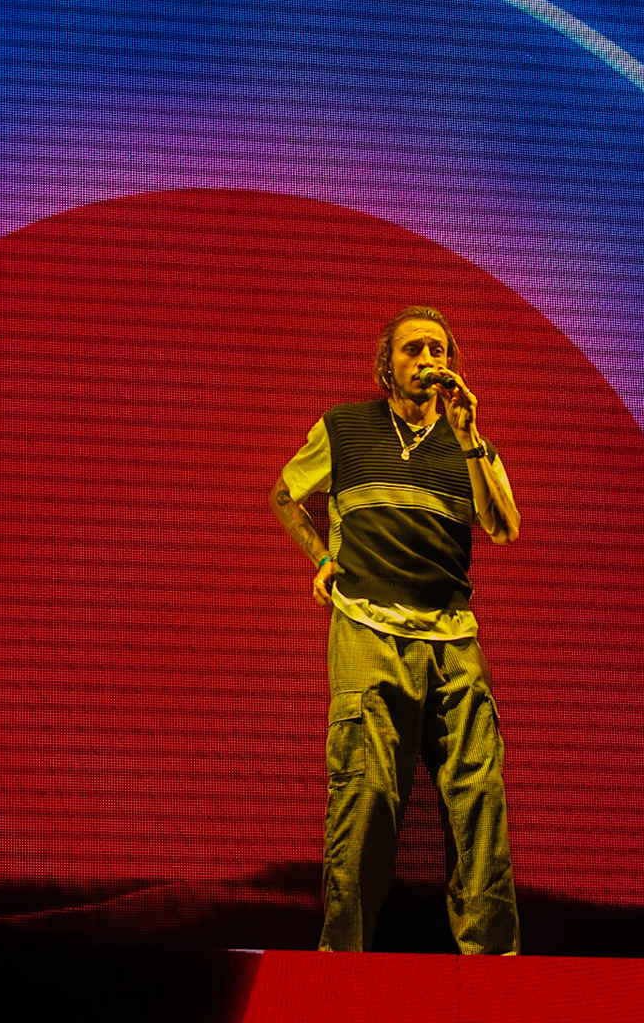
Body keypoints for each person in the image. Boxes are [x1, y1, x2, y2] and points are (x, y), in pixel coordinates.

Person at [269, 305, 522, 954]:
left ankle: (495, 969)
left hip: (452, 639)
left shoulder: (466, 441)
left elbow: (504, 526)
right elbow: (285, 494)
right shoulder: (346, 428)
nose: (428, 361)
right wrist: (323, 558)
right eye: (413, 350)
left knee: (479, 798)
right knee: (366, 794)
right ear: (388, 367)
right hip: (368, 631)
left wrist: (470, 436)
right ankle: (342, 965)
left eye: (438, 350)